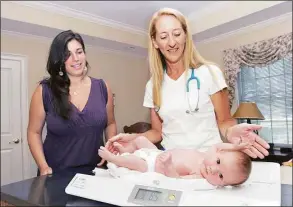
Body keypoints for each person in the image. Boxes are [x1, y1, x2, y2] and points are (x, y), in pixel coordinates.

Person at [103, 7, 270, 161]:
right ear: (155, 42)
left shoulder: (210, 73)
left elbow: (225, 121)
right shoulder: (152, 86)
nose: (171, 42)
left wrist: (232, 131)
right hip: (171, 162)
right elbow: (157, 132)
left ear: (185, 35)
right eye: (163, 36)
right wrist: (132, 138)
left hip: (209, 161)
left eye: (176, 34)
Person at [27, 30, 117, 176]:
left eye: (79, 52)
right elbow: (33, 132)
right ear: (60, 60)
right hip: (55, 173)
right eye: (68, 55)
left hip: (95, 172)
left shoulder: (102, 87)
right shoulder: (45, 90)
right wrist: (43, 166)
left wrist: (110, 149)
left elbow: (110, 123)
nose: (75, 58)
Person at [98, 136, 252, 187]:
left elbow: (176, 180)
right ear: (219, 153)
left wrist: (169, 165)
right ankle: (128, 151)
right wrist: (235, 146)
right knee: (140, 139)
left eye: (221, 177)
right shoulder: (208, 154)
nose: (213, 169)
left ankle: (115, 158)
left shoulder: (198, 175)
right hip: (156, 152)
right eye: (218, 162)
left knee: (138, 163)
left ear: (223, 185)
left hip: (154, 165)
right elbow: (218, 145)